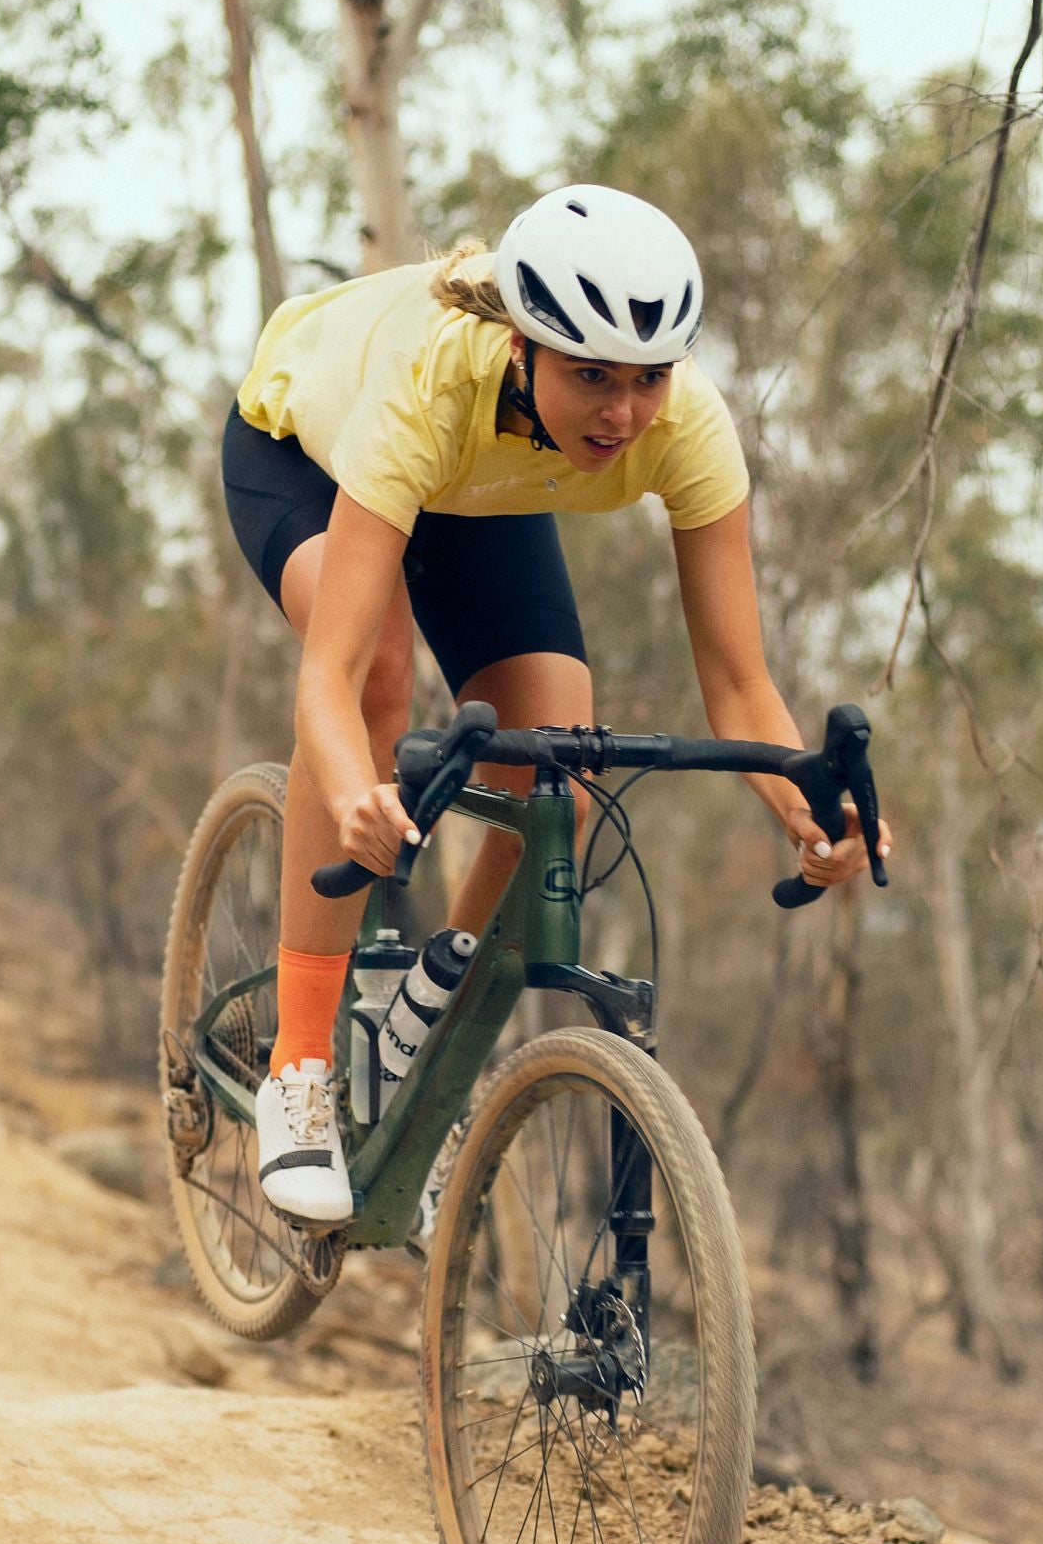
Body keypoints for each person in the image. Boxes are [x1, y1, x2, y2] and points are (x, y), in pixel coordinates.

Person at [222, 183, 893, 1223]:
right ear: (526, 351)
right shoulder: (428, 387)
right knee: (384, 676)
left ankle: (421, 1025)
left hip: (486, 486)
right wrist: (357, 787)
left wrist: (810, 809)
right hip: (308, 453)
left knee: (560, 783)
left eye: (647, 379)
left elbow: (739, 681)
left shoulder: (682, 428)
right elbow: (335, 679)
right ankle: (301, 1063)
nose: (623, 413)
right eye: (591, 377)